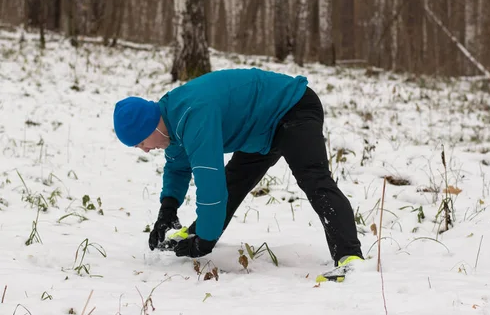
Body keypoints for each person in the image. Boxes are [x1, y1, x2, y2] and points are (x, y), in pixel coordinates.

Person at [113, 68, 363, 279]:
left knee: (313, 178)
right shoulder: (170, 119)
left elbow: (210, 182)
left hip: (292, 107)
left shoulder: (193, 114)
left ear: (148, 126)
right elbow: (178, 165)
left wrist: (206, 242)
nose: (144, 150)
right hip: (260, 128)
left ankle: (349, 256)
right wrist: (167, 209)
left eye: (140, 142)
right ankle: (196, 231)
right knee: (235, 181)